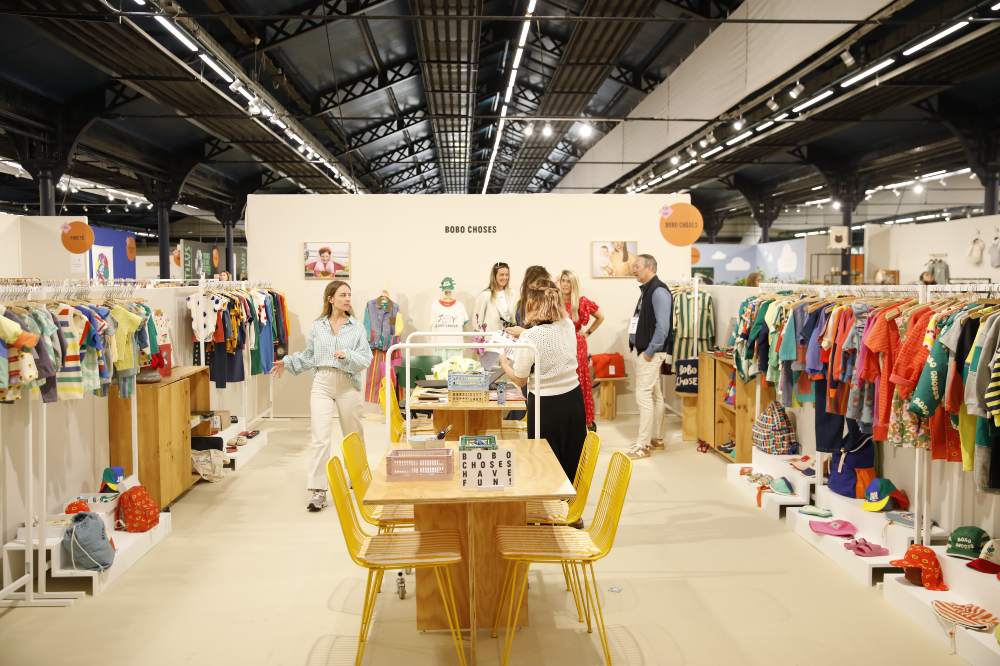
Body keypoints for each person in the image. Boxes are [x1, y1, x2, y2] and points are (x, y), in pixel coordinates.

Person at [271, 280, 372, 512]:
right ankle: (318, 490)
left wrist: (346, 355)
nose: (348, 299)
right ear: (331, 299)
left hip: (348, 384)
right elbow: (309, 356)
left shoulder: (357, 328)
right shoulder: (318, 326)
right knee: (320, 438)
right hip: (322, 384)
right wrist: (288, 362)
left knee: (353, 436)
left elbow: (365, 359)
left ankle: (358, 479)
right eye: (343, 295)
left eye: (349, 295)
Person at [500, 280, 587, 487]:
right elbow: (551, 338)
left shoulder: (530, 337)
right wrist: (524, 333)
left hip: (545, 405)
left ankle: (548, 509)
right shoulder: (566, 325)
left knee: (545, 459)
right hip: (573, 399)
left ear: (534, 306)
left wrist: (504, 364)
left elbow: (520, 378)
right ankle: (571, 507)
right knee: (572, 454)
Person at [627, 254, 673, 459]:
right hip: (648, 352)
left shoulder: (658, 291)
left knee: (643, 396)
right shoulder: (648, 290)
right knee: (655, 396)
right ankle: (657, 439)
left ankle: (643, 445)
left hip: (650, 353)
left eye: (636, 266)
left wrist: (649, 352)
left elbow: (663, 327)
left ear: (650, 267)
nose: (633, 269)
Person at [559, 269, 604, 430]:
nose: (565, 284)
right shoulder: (555, 301)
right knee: (562, 379)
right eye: (563, 280)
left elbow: (601, 316)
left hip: (577, 345)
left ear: (573, 284)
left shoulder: (581, 301)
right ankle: (565, 417)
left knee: (579, 381)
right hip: (560, 344)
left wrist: (587, 333)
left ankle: (586, 419)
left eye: (568, 281)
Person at [473, 261, 515, 333]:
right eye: (501, 275)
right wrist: (479, 338)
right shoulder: (486, 295)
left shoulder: (512, 294)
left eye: (506, 275)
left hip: (508, 338)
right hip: (490, 339)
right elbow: (477, 320)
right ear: (494, 276)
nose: (505, 277)